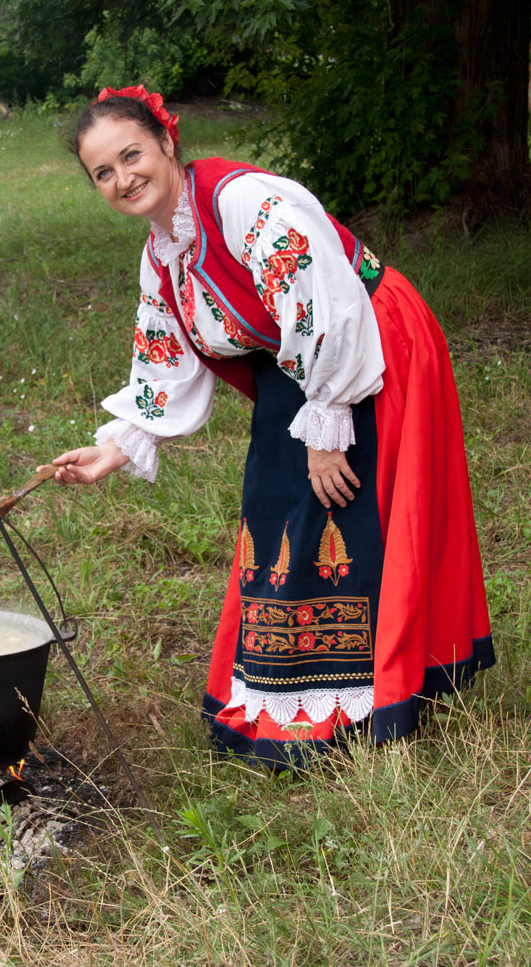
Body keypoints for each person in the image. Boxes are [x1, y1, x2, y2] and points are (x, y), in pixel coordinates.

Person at [48, 84, 495, 770]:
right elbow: (165, 363)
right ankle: (295, 696)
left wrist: (326, 430)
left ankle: (365, 699)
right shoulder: (163, 254)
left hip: (370, 345)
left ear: (166, 142)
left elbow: (325, 306)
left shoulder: (244, 203)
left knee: (346, 507)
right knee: (276, 511)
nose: (122, 179)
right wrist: (115, 447)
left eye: (131, 155)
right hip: (296, 368)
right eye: (102, 172)